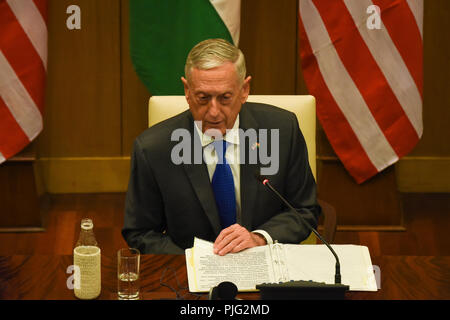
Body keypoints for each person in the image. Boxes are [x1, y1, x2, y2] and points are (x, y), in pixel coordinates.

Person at [122, 38, 320, 255]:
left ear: (244, 90)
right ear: (187, 91)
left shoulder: (281, 131)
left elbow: (304, 210)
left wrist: (260, 238)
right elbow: (140, 233)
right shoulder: (153, 149)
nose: (214, 112)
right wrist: (192, 261)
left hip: (265, 264)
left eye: (225, 98)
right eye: (203, 98)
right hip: (189, 275)